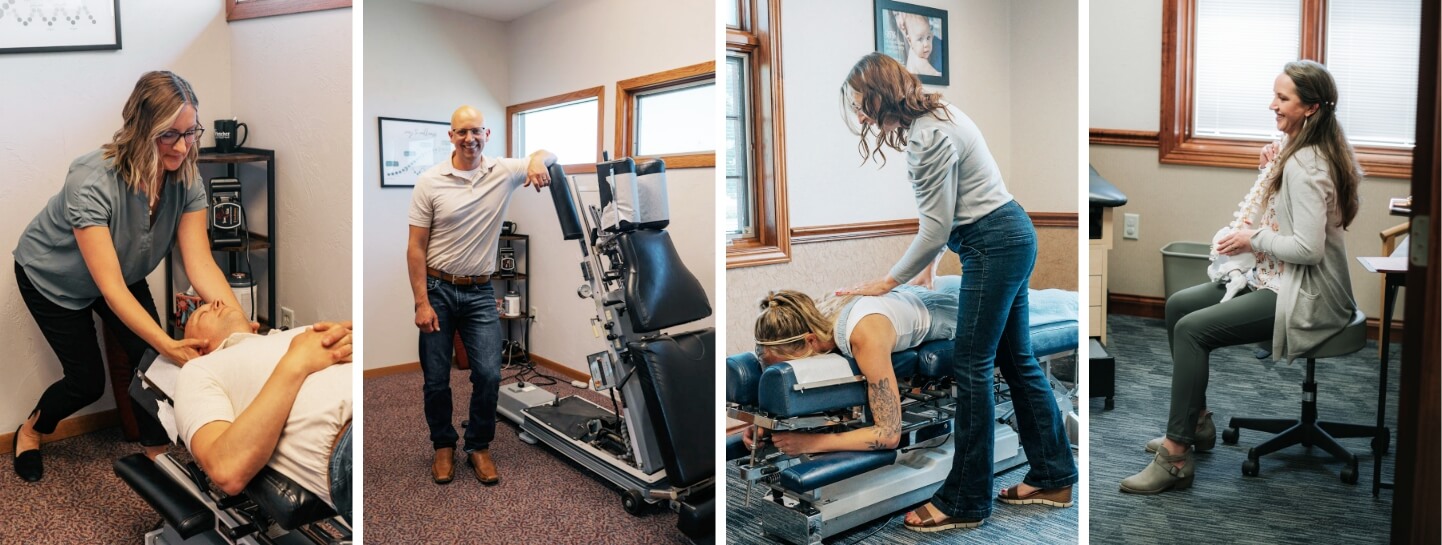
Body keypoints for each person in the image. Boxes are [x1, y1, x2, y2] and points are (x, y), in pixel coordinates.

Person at [835, 53, 1076, 532]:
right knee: (1016, 359)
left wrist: (890, 280)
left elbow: (937, 225)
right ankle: (1053, 474)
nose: (861, 116)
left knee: (972, 366)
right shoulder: (940, 113)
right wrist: (931, 264)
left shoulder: (928, 136)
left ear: (881, 94)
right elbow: (952, 212)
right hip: (1007, 235)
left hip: (994, 244)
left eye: (862, 104)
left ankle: (965, 499)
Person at [1120, 60, 1361, 494]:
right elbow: (1285, 215)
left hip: (1302, 291)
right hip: (1274, 277)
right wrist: (1272, 171)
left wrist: (1253, 239)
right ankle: (1197, 423)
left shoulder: (1306, 165)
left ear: (1309, 108)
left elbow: (1307, 249)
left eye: (1282, 98)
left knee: (1193, 331)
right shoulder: (1298, 151)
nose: (1272, 105)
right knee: (1178, 306)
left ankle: (1176, 454)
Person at [11, 71, 248, 482]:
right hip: (54, 279)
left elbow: (200, 262)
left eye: (190, 132)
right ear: (140, 129)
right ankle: (31, 430)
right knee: (87, 382)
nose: (181, 146)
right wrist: (169, 343)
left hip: (120, 271)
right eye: (168, 135)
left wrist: (239, 329)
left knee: (151, 364)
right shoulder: (91, 180)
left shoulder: (186, 176)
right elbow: (112, 290)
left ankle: (159, 456)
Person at [407, 105, 556, 485]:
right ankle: (443, 445)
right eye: (462, 132)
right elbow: (416, 248)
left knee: (489, 374)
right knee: (436, 378)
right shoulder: (430, 181)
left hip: (479, 292)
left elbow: (547, 154)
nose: (469, 138)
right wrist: (421, 302)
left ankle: (479, 445)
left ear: (486, 134)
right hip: (438, 289)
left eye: (476, 131)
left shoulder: (502, 172)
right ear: (451, 136)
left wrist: (539, 161)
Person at [175, 300, 353, 523]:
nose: (216, 302)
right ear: (199, 349)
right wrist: (296, 362)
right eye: (200, 313)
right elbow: (225, 469)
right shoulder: (199, 369)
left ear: (254, 326)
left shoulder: (302, 333)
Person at [746, 269, 958, 455]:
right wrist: (768, 422)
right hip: (921, 291)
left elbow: (888, 434)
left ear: (810, 341)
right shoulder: (805, 317)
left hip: (956, 305)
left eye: (786, 365)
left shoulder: (864, 335)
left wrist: (810, 443)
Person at [894, 12, 942, 77]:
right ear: (909, 41)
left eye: (928, 37)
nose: (926, 44)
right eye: (920, 39)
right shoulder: (915, 61)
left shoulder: (939, 47)